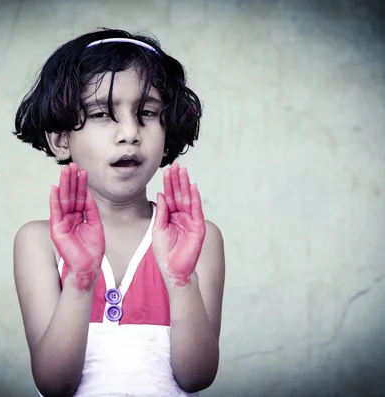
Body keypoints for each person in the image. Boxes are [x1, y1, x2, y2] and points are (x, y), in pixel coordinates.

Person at [12, 27, 225, 397]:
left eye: (146, 113)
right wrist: (79, 280)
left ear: (167, 129)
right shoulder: (38, 242)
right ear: (61, 138)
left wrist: (181, 281)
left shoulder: (198, 238)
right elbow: (54, 384)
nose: (130, 132)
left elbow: (197, 377)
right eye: (101, 113)